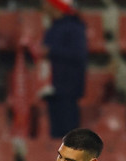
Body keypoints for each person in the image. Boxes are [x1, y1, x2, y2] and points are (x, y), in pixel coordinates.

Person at [40, 0, 87, 139]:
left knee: (69, 133)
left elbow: (78, 54)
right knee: (56, 133)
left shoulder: (74, 27)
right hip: (53, 87)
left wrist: (51, 51)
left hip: (68, 88)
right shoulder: (53, 28)